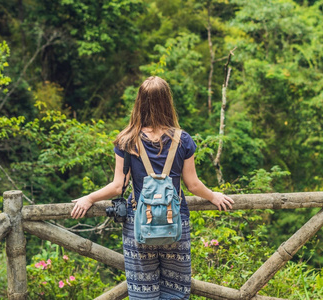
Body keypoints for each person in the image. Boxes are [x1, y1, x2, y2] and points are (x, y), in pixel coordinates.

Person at [70, 76, 234, 299]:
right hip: (174, 223)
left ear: (139, 102)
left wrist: (89, 198)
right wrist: (213, 196)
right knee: (176, 292)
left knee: (142, 292)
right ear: (168, 102)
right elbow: (193, 184)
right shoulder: (183, 140)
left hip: (139, 224)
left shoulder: (127, 140)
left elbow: (119, 186)